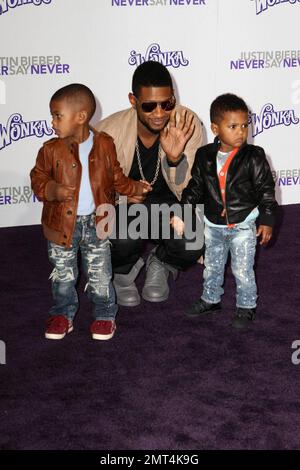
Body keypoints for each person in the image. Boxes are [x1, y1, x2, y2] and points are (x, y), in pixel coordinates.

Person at [30, 83, 151, 340]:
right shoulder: (50, 150)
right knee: (63, 275)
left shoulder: (105, 144)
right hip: (63, 225)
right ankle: (62, 313)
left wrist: (135, 188)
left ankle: (105, 314)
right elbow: (37, 180)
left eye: (57, 115)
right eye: (53, 115)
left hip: (98, 222)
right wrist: (53, 190)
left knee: (100, 274)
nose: (52, 122)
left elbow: (116, 177)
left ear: (81, 117)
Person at [96, 61, 204, 307]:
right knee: (118, 237)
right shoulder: (108, 132)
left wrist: (176, 160)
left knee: (195, 238)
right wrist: (123, 196)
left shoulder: (186, 123)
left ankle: (161, 261)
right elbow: (96, 192)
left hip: (169, 209)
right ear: (133, 101)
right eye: (149, 105)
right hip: (125, 209)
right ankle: (123, 272)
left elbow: (192, 190)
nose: (159, 113)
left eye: (167, 104)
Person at [173, 93, 277, 328]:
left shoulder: (254, 156)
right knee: (212, 266)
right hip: (213, 225)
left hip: (243, 225)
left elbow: (266, 191)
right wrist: (182, 212)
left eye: (244, 125)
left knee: (242, 269)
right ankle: (211, 300)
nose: (241, 131)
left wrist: (268, 220)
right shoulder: (204, 156)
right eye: (233, 126)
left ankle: (246, 306)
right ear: (215, 128)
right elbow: (195, 187)